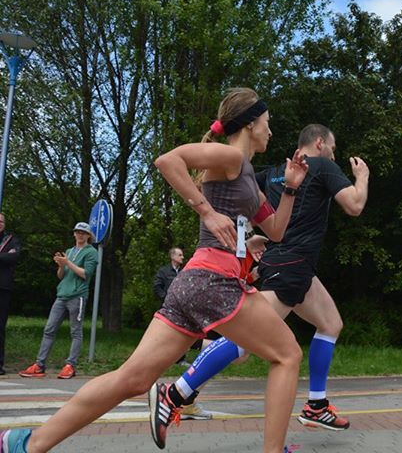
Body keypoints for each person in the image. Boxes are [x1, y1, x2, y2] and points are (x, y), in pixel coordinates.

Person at [1, 87, 307, 453]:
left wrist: (291, 189)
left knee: (132, 379)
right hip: (214, 282)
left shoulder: (248, 179)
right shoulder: (230, 156)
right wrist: (207, 212)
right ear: (251, 123)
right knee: (288, 355)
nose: (270, 131)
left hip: (193, 284)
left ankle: (28, 443)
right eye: (267, 123)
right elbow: (168, 161)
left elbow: (276, 230)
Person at [150, 123, 369, 442]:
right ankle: (176, 393)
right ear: (320, 144)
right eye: (333, 149)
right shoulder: (322, 166)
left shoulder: (274, 173)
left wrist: (246, 239)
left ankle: (316, 405)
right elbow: (354, 205)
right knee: (244, 341)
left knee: (330, 323)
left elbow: (243, 205)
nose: (334, 156)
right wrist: (362, 177)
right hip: (290, 267)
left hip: (293, 267)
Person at [19, 222, 98, 380]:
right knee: (49, 329)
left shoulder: (91, 252)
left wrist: (67, 262)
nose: (80, 235)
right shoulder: (69, 251)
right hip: (62, 295)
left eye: (83, 232)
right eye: (78, 232)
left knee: (75, 331)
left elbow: (85, 274)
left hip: (77, 295)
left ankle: (70, 366)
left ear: (88, 236)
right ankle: (39, 365)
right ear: (74, 234)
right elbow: (61, 276)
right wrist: (61, 265)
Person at [0, 213, 21, 376]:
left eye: (1, 221)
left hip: (3, 288)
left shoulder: (12, 240)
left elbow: (13, 257)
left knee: (0, 327)